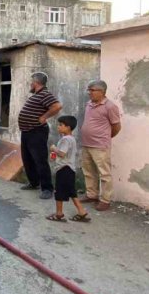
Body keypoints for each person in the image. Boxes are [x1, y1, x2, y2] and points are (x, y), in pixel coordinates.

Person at [17, 72, 62, 199]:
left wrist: (44, 117)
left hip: (37, 132)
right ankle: (34, 182)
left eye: (31, 82)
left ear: (36, 83)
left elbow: (57, 106)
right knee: (28, 159)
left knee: (40, 160)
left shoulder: (45, 94)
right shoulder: (36, 95)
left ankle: (47, 188)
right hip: (27, 132)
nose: (30, 84)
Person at [80, 80, 122, 212]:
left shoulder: (110, 106)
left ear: (102, 92)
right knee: (88, 171)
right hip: (86, 143)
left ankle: (105, 200)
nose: (89, 93)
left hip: (100, 145)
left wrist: (104, 137)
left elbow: (116, 126)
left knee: (104, 174)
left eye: (92, 90)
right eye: (89, 90)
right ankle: (91, 194)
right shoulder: (89, 104)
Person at [46, 116, 91, 223]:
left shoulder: (65, 139)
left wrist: (53, 149)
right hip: (70, 169)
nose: (58, 127)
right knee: (72, 191)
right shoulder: (71, 138)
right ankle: (81, 211)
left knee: (59, 192)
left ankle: (59, 214)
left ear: (68, 127)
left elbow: (62, 153)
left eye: (61, 125)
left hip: (64, 169)